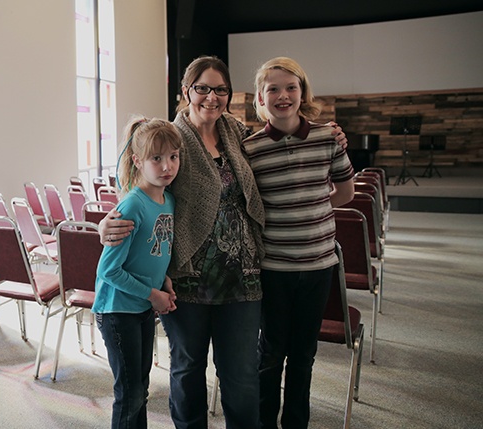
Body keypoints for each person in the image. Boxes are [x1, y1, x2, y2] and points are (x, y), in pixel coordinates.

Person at [98, 55, 348, 429]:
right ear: (186, 91)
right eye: (202, 88)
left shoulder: (236, 131)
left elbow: (278, 140)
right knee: (187, 368)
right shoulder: (171, 134)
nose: (211, 97)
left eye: (220, 90)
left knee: (241, 374)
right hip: (188, 275)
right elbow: (137, 175)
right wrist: (108, 222)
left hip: (244, 277)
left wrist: (329, 134)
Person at [245, 56, 355, 429]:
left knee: (303, 355)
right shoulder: (252, 149)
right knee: (270, 353)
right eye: (272, 88)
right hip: (273, 269)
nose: (283, 95)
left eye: (291, 86)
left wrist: (311, 207)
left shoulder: (328, 136)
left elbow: (345, 192)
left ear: (303, 92)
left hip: (318, 267)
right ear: (261, 98)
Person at [93, 116, 181, 429]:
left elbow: (154, 252)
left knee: (139, 389)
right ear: (138, 161)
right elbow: (108, 270)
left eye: (173, 156)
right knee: (129, 394)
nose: (167, 166)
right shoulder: (132, 206)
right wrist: (152, 294)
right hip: (118, 310)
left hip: (141, 307)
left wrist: (164, 282)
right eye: (156, 158)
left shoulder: (167, 199)